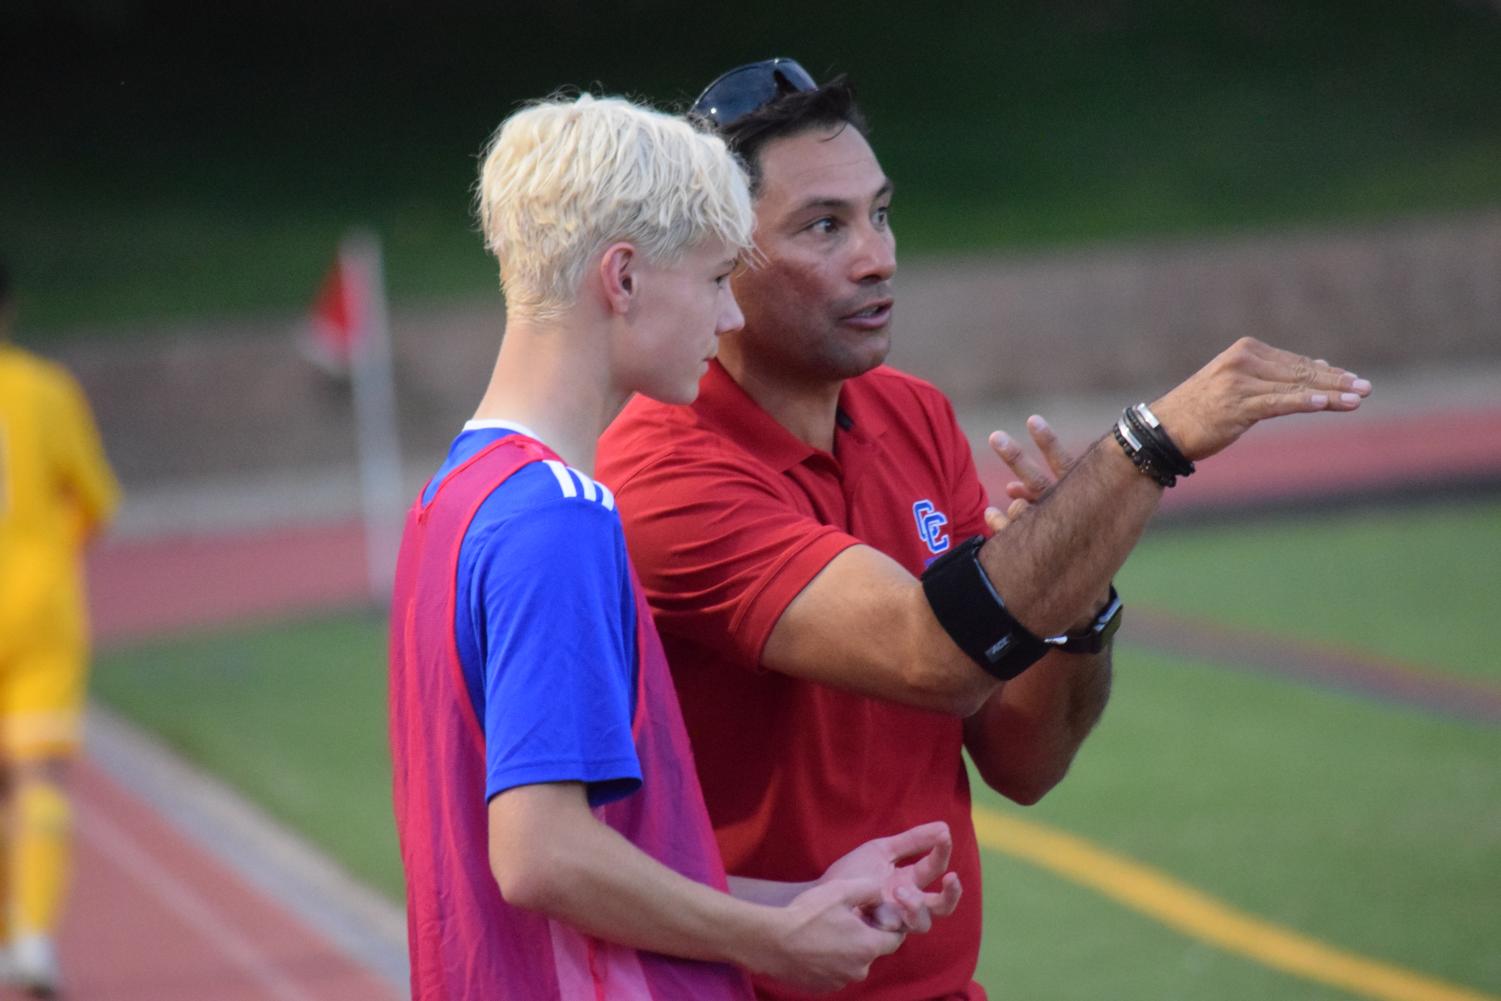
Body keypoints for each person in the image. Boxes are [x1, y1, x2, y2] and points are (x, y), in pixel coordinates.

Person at [595, 60, 1374, 999]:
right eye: (823, 226)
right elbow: (936, 656)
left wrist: (1076, 599)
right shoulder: (663, 469)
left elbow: (1022, 757)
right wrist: (1145, 448)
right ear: (720, 258)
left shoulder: (911, 415)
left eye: (879, 214)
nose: (876, 255)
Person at [387, 93, 964, 1000]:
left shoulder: (457, 495)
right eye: (711, 281)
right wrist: (768, 939)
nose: (729, 318)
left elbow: (578, 860)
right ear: (621, 280)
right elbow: (544, 858)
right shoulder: (559, 518)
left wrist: (801, 899)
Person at [0, 259, 121, 997]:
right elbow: (95, 500)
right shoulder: (46, 391)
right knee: (39, 775)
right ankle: (35, 937)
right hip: (40, 605)